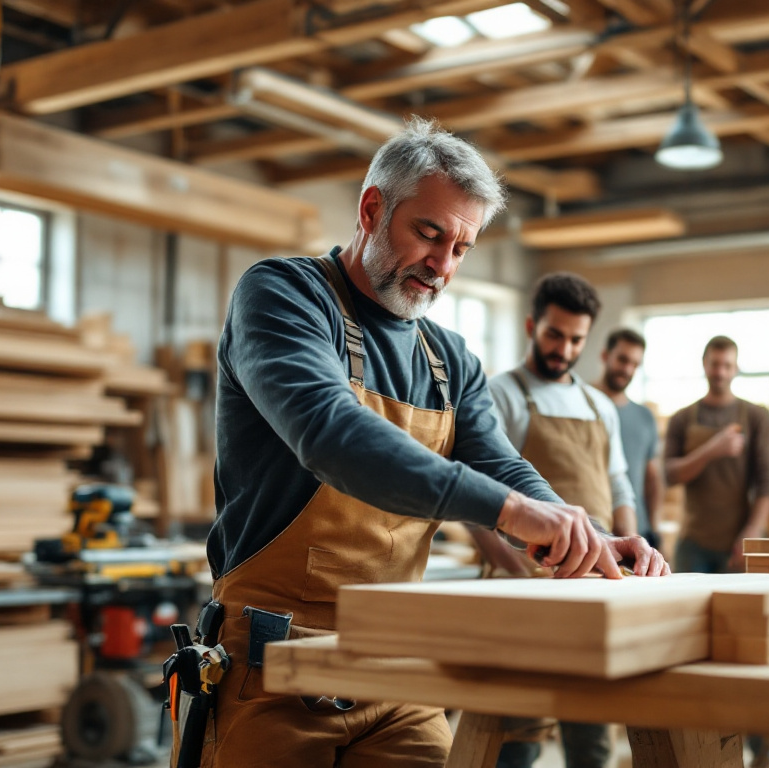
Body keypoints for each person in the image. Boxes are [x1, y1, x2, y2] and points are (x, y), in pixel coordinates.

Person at [205, 118, 667, 767]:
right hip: (271, 665)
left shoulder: (449, 357)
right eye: (429, 233)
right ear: (372, 209)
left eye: (462, 247)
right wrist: (509, 513)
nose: (443, 266)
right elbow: (332, 435)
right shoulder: (284, 296)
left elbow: (497, 461)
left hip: (398, 667)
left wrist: (583, 532)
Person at [488, 275, 640, 768]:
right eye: (555, 334)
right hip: (525, 581)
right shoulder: (502, 394)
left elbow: (618, 485)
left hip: (594, 584)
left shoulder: (599, 405)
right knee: (517, 734)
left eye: (576, 339)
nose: (564, 348)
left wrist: (635, 547)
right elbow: (480, 498)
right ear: (532, 326)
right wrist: (515, 574)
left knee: (592, 733)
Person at [664, 336, 769, 573]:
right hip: (693, 542)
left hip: (739, 541)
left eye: (727, 365)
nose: (720, 372)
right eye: (714, 364)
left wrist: (752, 532)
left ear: (735, 369)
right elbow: (670, 475)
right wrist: (712, 450)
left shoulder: (756, 417)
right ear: (704, 365)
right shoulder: (682, 418)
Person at [594, 328, 663, 549]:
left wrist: (654, 529)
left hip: (636, 533)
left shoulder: (644, 416)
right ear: (605, 356)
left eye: (635, 364)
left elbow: (652, 478)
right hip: (592, 533)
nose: (627, 369)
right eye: (622, 360)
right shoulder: (582, 407)